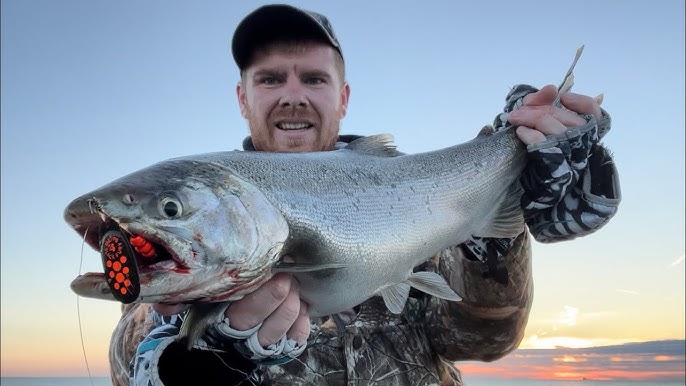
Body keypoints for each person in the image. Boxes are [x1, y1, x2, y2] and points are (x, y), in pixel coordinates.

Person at [108, 4, 621, 386]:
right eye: (269, 79)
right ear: (243, 97)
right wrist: (191, 359)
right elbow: (128, 353)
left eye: (313, 78)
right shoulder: (198, 220)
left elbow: (482, 340)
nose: (293, 94)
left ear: (343, 97)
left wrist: (509, 177)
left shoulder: (416, 198)